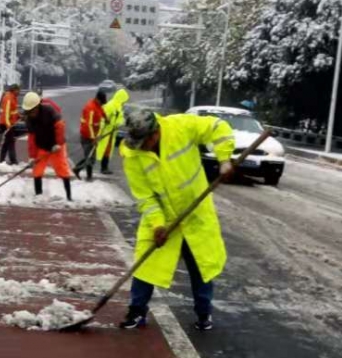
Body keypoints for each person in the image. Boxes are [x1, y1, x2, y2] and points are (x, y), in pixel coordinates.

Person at [118, 105, 235, 332]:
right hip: (165, 219)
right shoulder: (133, 156)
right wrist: (158, 225)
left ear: (155, 133)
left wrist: (225, 159)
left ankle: (203, 314)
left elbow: (217, 127)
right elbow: (145, 198)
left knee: (200, 266)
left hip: (195, 213)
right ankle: (136, 312)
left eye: (145, 142)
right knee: (146, 264)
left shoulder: (181, 126)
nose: (141, 147)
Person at [22, 91, 73, 201]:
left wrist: (58, 144)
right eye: (28, 111)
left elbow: (60, 126)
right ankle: (38, 196)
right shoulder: (29, 120)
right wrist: (32, 156)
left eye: (32, 111)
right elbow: (31, 139)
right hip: (42, 147)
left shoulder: (49, 111)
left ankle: (69, 197)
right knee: (37, 170)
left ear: (38, 106)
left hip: (56, 147)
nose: (31, 114)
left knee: (62, 170)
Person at [96, 86, 129, 175]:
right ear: (121, 98)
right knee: (102, 149)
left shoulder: (119, 107)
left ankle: (105, 167)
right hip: (105, 132)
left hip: (111, 133)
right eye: (124, 100)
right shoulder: (110, 106)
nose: (124, 103)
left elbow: (120, 119)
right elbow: (102, 119)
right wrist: (100, 132)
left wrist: (119, 124)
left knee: (107, 150)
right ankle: (102, 168)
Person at [78, 88, 108, 181]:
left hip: (92, 135)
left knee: (91, 157)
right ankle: (89, 177)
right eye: (102, 102)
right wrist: (93, 138)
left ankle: (77, 169)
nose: (102, 104)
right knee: (90, 157)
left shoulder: (97, 105)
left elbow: (101, 110)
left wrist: (106, 118)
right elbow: (88, 125)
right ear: (98, 99)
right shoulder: (90, 108)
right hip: (87, 136)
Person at [0, 83, 21, 164]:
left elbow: (13, 111)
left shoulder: (13, 97)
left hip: (9, 123)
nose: (19, 92)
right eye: (18, 90)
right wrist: (8, 125)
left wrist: (18, 116)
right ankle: (13, 161)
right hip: (6, 124)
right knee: (10, 143)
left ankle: (2, 160)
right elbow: (6, 113)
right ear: (14, 90)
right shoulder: (9, 98)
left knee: (7, 143)